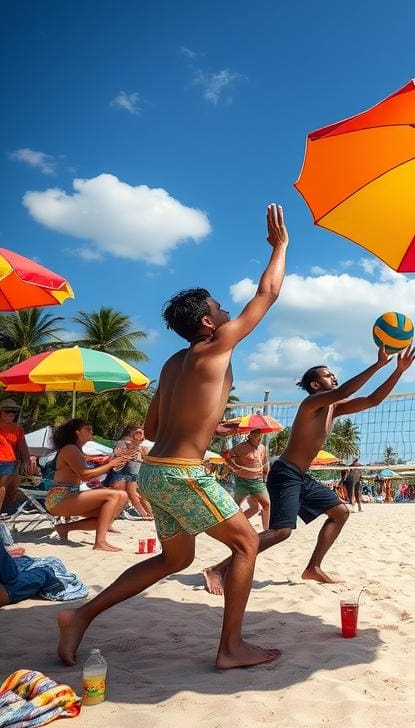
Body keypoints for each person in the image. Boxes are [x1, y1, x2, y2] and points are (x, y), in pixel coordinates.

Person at [57, 203, 288, 670]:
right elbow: (267, 292)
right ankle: (230, 648)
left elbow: (156, 429)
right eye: (219, 307)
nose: (226, 309)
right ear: (207, 322)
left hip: (157, 472)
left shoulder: (171, 364)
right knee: (245, 544)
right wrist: (280, 246)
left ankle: (80, 616)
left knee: (172, 560)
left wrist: (207, 425)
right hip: (182, 475)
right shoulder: (218, 344)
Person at [204, 345, 415, 591]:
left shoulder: (333, 408)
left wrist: (399, 370)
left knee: (340, 513)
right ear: (315, 385)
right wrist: (378, 364)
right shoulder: (311, 403)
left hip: (300, 475)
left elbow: (373, 400)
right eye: (327, 375)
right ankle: (218, 568)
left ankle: (313, 568)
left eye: (332, 374)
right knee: (281, 532)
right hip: (285, 473)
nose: (333, 377)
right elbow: (347, 389)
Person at [45, 419, 132, 551]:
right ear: (77, 432)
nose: (92, 431)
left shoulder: (77, 450)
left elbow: (83, 477)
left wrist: (100, 480)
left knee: (119, 501)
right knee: (115, 496)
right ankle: (100, 542)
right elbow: (84, 474)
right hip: (59, 498)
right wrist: (110, 465)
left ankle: (64, 528)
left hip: (70, 494)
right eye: (88, 429)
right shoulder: (70, 449)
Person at [223, 429, 270, 530]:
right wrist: (233, 467)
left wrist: (265, 478)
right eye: (258, 434)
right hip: (242, 481)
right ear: (251, 435)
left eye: (261, 434)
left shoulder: (263, 448)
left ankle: (266, 530)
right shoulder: (241, 447)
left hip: (257, 482)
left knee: (262, 506)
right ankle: (234, 527)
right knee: (235, 507)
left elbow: (266, 464)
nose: (260, 436)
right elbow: (227, 457)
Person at [109, 425, 153, 520]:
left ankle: (146, 514)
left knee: (132, 493)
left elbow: (144, 457)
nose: (139, 435)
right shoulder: (125, 443)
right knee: (133, 493)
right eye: (137, 432)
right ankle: (147, 514)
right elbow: (119, 454)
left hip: (132, 471)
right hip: (128, 471)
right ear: (131, 432)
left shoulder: (140, 445)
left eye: (141, 433)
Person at [0, 398, 32, 521]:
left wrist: (27, 462)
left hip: (9, 460)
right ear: (1, 412)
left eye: (13, 412)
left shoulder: (17, 428)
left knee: (2, 487)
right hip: (8, 460)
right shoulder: (16, 428)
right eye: (8, 411)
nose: (11, 414)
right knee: (2, 487)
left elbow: (22, 446)